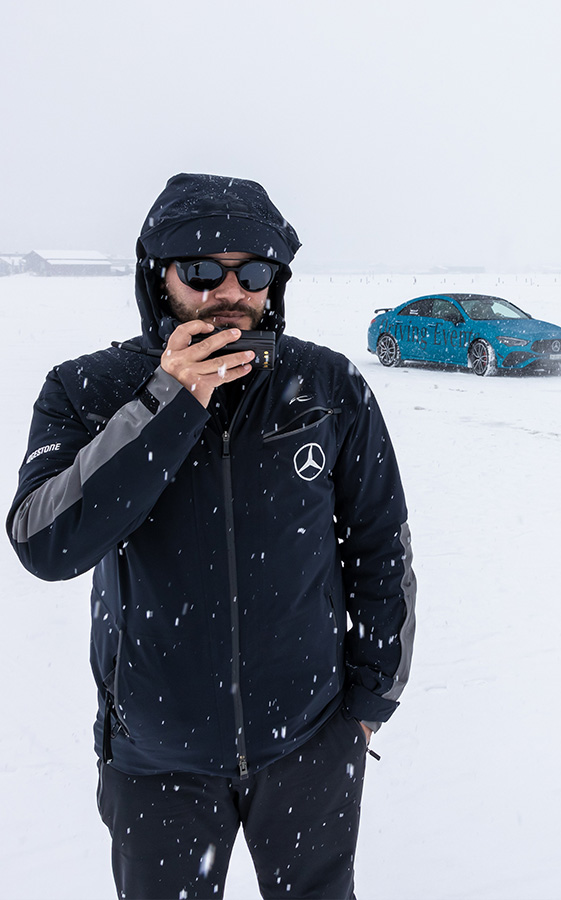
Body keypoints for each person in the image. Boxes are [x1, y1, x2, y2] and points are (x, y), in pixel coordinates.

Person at [7, 173, 416, 899]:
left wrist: (366, 708)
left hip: (310, 748)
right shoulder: (86, 391)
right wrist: (167, 403)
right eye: (200, 269)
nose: (229, 291)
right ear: (156, 277)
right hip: (156, 765)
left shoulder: (327, 386)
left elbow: (381, 549)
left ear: (274, 283)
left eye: (252, 271)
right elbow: (46, 542)